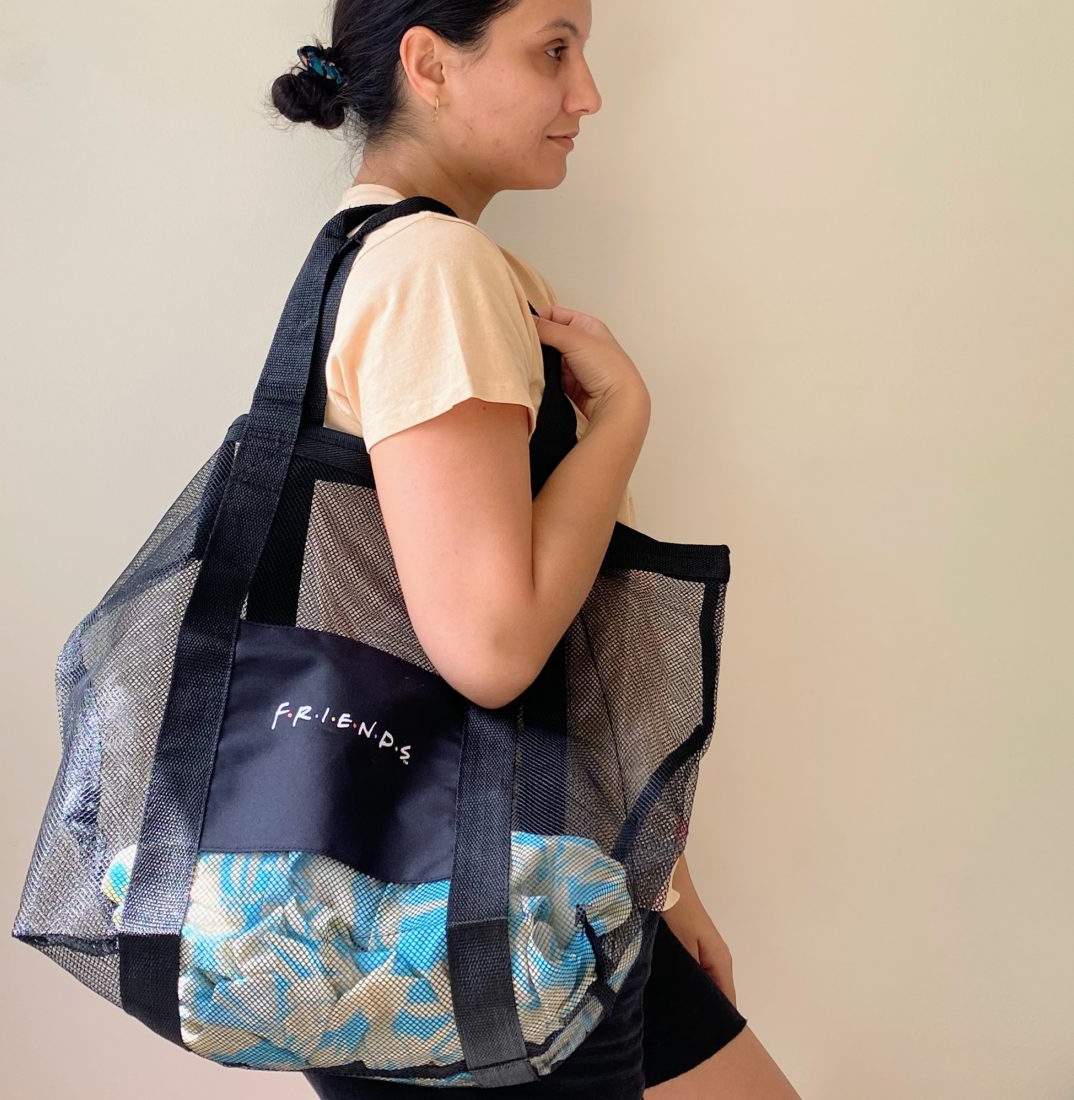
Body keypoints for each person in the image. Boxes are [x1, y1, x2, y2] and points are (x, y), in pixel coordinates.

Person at [269, 2, 801, 1097]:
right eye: (552, 49)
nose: (587, 94)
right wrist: (619, 424)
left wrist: (663, 878)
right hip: (477, 918)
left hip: (503, 887)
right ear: (427, 62)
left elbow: (558, 630)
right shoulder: (436, 271)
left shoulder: (389, 258)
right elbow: (494, 646)